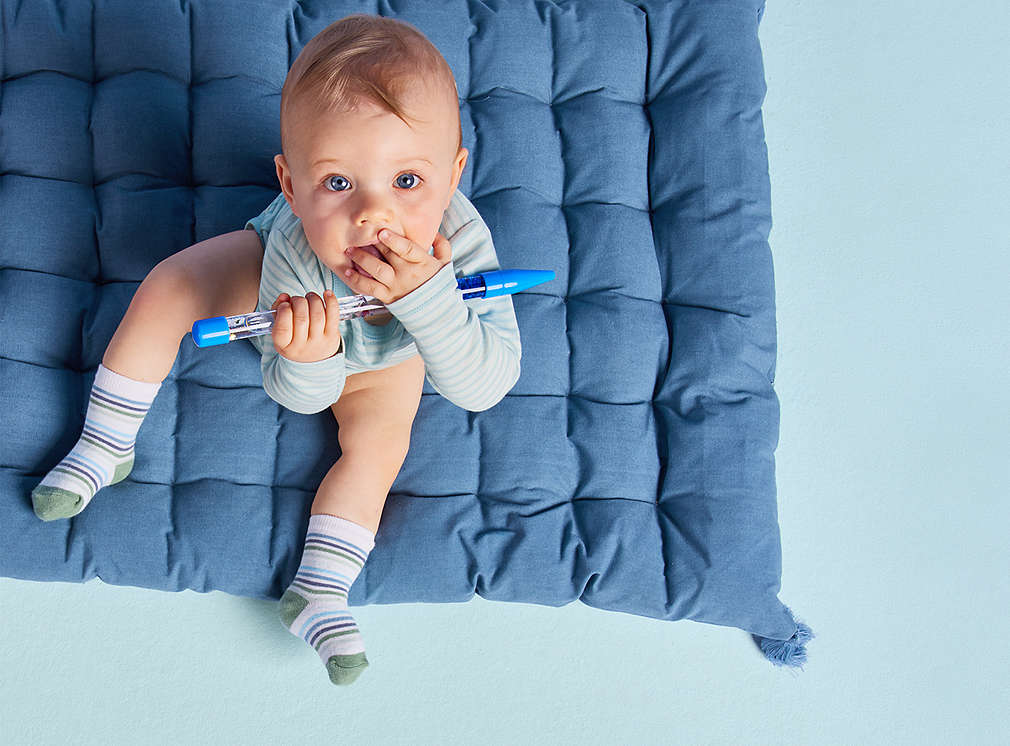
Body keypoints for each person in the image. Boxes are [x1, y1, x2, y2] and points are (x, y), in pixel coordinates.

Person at [30, 14, 521, 686]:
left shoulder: (463, 245)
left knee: (379, 447)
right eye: (339, 184)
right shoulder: (296, 244)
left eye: (408, 182)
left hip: (392, 357)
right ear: (291, 187)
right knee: (169, 285)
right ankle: (106, 441)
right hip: (289, 307)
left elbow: (484, 386)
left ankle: (320, 590)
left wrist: (428, 301)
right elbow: (297, 396)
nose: (373, 217)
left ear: (454, 173)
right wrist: (309, 358)